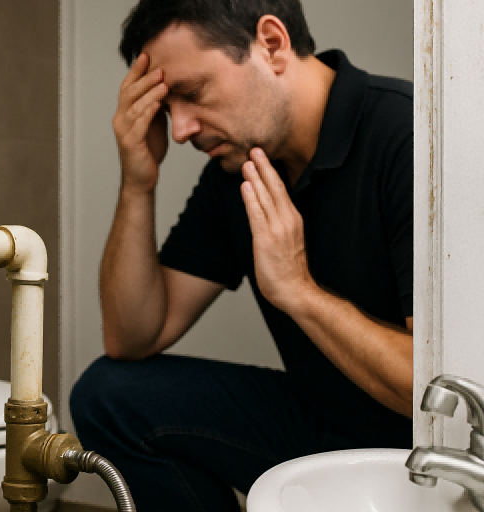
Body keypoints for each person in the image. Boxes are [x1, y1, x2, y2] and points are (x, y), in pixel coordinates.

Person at [69, 0, 413, 510]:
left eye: (190, 93)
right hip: (323, 421)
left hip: (429, 448)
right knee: (109, 394)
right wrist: (138, 183)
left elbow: (443, 397)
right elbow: (132, 337)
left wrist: (300, 293)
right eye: (167, 109)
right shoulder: (238, 169)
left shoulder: (410, 136)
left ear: (271, 44)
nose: (181, 129)